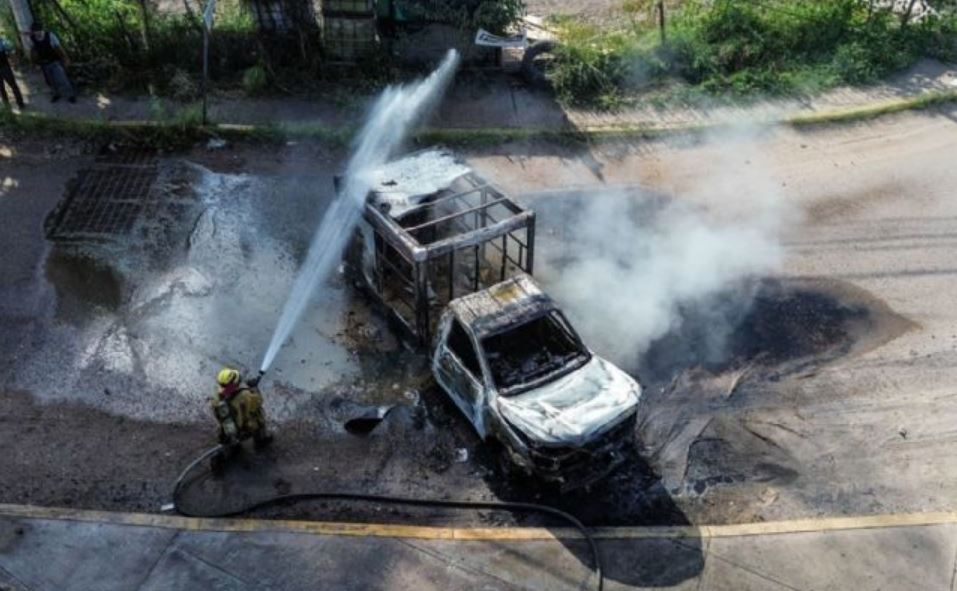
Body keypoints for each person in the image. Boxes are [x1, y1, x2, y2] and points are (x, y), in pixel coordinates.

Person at [210, 367, 272, 450]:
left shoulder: (217, 397)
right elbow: (259, 401)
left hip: (228, 427)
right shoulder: (245, 395)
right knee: (258, 416)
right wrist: (254, 388)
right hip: (244, 430)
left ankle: (229, 444)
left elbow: (227, 395)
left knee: (225, 425)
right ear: (234, 383)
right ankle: (260, 442)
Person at [28, 22, 75, 103]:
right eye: (35, 31)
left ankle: (70, 95)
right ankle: (56, 94)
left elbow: (58, 47)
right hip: (44, 63)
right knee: (50, 81)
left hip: (54, 61)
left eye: (38, 31)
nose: (37, 33)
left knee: (62, 79)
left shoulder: (50, 35)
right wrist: (34, 64)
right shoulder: (32, 39)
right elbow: (33, 52)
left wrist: (65, 58)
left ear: (41, 30)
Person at [0, 36, 25, 110]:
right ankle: (7, 107)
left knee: (13, 85)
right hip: (4, 67)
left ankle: (20, 103)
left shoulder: (2, 41)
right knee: (1, 89)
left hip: (4, 67)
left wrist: (15, 63)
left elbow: (11, 50)